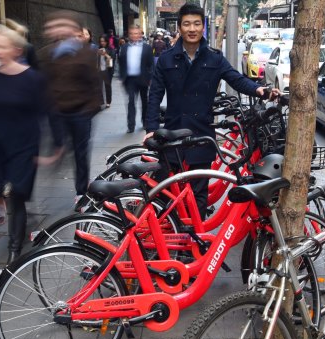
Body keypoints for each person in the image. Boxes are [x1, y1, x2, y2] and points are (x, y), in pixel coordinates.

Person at [144, 3, 278, 218]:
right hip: (173, 133)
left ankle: (191, 243)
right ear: (179, 27)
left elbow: (237, 79)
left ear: (203, 27)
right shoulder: (167, 59)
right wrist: (151, 128)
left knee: (198, 192)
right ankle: (166, 235)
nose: (192, 29)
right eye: (187, 24)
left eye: (197, 24)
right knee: (169, 192)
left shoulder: (214, 58)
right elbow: (155, 96)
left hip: (201, 133)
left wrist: (260, 90)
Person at [0, 24, 47, 264]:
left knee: (15, 196)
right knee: (2, 192)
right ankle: (20, 230)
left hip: (23, 146)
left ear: (15, 50)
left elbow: (46, 111)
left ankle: (14, 250)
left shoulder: (31, 78)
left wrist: (54, 147)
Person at [38, 10, 102, 205]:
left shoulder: (87, 53)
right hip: (57, 114)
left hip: (81, 113)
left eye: (63, 25)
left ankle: (81, 190)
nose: (58, 29)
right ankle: (59, 152)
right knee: (59, 148)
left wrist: (89, 110)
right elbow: (42, 84)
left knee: (80, 153)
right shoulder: (45, 54)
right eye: (54, 26)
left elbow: (95, 84)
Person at [118, 24, 153, 133]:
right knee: (131, 101)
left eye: (136, 33)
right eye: (132, 33)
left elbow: (151, 64)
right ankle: (131, 125)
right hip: (130, 79)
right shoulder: (124, 47)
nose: (134, 35)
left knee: (144, 102)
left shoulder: (147, 48)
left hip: (143, 78)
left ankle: (145, 122)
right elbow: (121, 62)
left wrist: (151, 78)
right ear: (129, 35)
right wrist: (122, 77)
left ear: (140, 34)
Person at [98, 35, 114, 108]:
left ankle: (108, 102)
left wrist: (105, 54)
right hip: (99, 69)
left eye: (104, 41)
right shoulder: (98, 49)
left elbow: (112, 60)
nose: (102, 43)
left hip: (107, 70)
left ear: (107, 41)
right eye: (101, 41)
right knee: (99, 86)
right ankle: (101, 101)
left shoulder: (110, 49)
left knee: (107, 86)